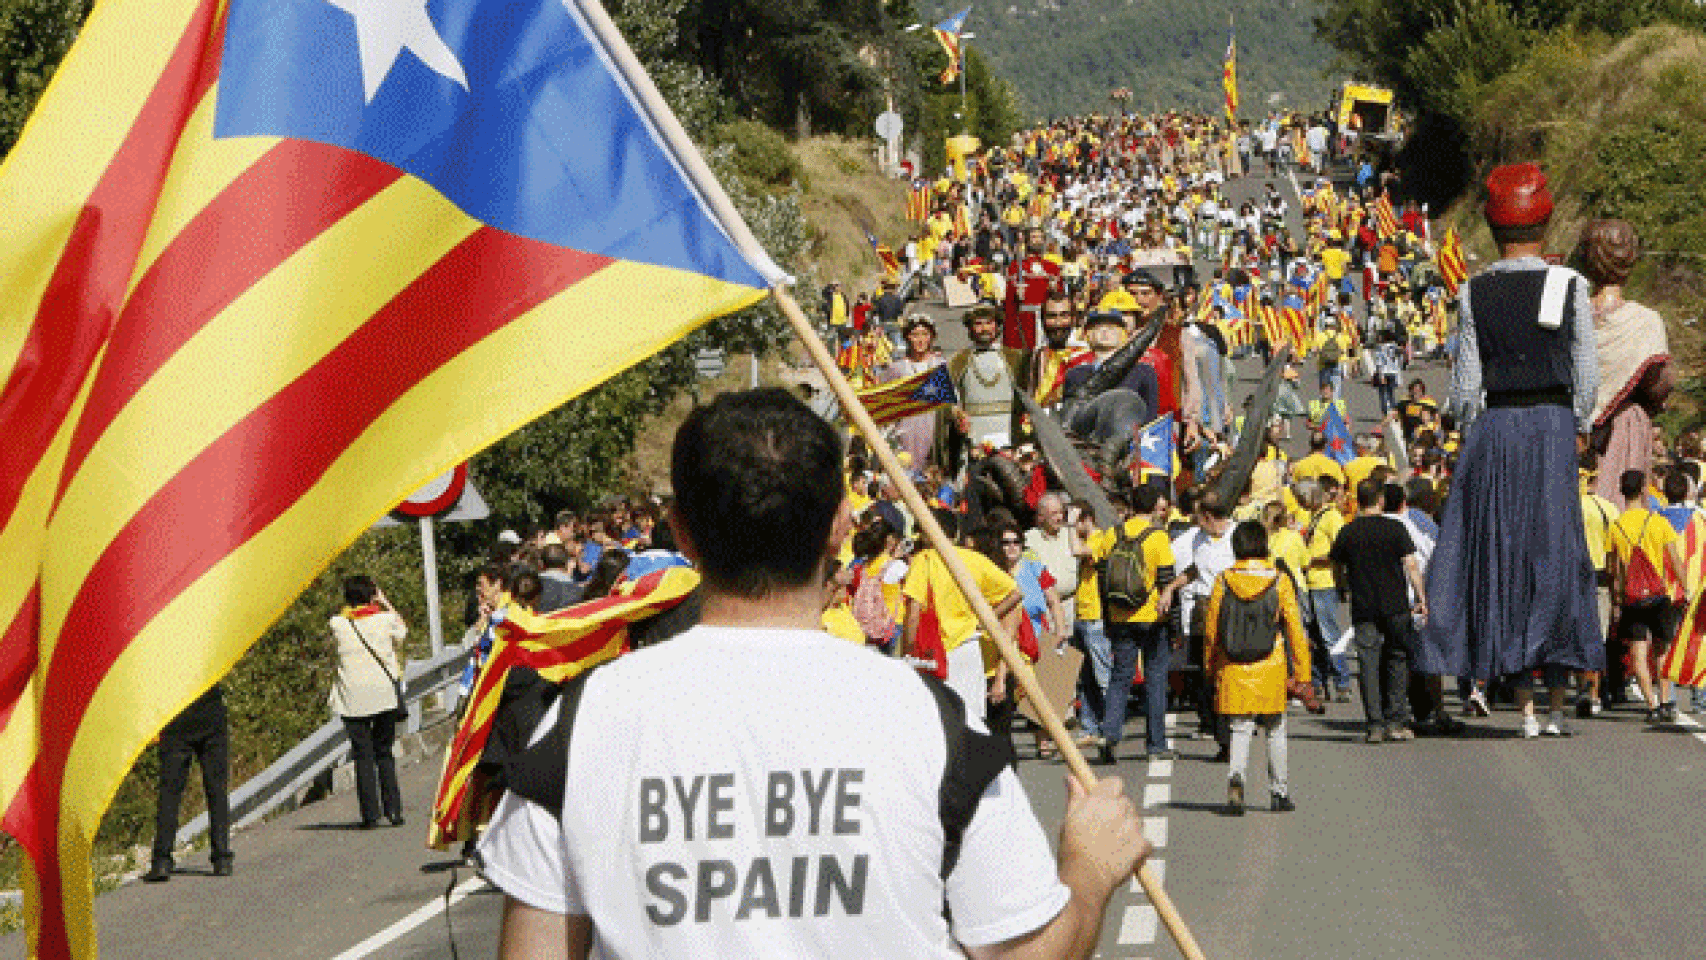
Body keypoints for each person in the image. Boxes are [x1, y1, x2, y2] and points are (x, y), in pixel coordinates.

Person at [479, 389, 1151, 959]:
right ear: (839, 527)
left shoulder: (583, 724)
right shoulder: (929, 719)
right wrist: (1089, 870)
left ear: (679, 533)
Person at [1418, 163, 1605, 690]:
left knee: (1492, 541)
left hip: (1496, 423)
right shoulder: (1570, 284)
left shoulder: (1473, 291)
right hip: (1552, 423)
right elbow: (1585, 370)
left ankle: (1495, 658)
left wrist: (1464, 427)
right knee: (1554, 542)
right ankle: (1555, 659)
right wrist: (1581, 422)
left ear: (1496, 230)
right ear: (1544, 226)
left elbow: (1465, 385)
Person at [1204, 522, 1311, 815]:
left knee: (1240, 728)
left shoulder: (1224, 580)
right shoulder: (1279, 580)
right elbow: (1295, 630)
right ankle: (1279, 792)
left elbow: (1212, 630)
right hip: (1271, 665)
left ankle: (1236, 778)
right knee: (1275, 728)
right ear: (1264, 545)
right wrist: (1303, 674)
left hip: (1234, 665)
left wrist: (1211, 666)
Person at [1083, 483, 1181, 764]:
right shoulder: (1158, 537)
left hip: (1119, 616)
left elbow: (1102, 575)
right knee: (1155, 679)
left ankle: (1109, 734)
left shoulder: (1113, 534)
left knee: (1120, 677)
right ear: (1154, 507)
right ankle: (1156, 745)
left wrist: (1107, 618)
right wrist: (1174, 626)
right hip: (1152, 617)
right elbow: (1166, 581)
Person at [1581, 219, 1674, 504]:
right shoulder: (1645, 321)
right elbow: (1659, 386)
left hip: (1574, 429)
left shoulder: (1572, 316)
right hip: (1625, 427)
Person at [1332, 479, 1429, 743]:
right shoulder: (1394, 528)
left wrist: (1343, 588)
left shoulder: (1348, 532)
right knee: (1397, 660)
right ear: (1381, 501)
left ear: (1359, 501)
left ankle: (1374, 723)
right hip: (1396, 605)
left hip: (1364, 606)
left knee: (1368, 663)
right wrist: (1421, 597)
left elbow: (1337, 567)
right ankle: (1395, 720)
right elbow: (1411, 565)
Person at [1608, 468, 1689, 725]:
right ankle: (1665, 701)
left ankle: (1650, 704)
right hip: (1659, 595)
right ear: (1643, 489)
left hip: (1632, 599)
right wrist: (1686, 588)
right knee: (1662, 651)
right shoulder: (1657, 522)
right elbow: (1674, 560)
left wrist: (1617, 597)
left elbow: (1614, 569)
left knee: (1638, 653)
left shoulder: (1616, 526)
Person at [329, 575, 408, 829]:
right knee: (384, 753)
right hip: (383, 694)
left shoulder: (338, 624)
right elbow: (402, 631)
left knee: (362, 755)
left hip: (352, 698)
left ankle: (370, 815)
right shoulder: (384, 620)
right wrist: (385, 602)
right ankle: (393, 810)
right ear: (372, 595)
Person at [142, 685, 234, 882]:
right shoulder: (206, 653)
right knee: (217, 789)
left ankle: (162, 861)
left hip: (176, 716)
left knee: (170, 793)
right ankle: (222, 858)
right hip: (211, 712)